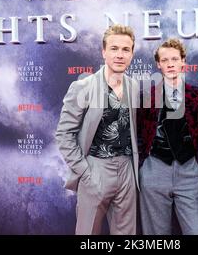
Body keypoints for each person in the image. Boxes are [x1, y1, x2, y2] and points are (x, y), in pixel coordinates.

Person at [55, 24, 140, 235]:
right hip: (95, 168)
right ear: (103, 52)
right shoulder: (83, 86)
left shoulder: (136, 87)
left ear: (132, 54)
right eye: (114, 48)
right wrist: (85, 172)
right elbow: (64, 135)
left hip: (128, 170)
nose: (119, 55)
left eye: (125, 49)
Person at [137, 38, 198, 235]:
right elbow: (139, 134)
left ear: (183, 62)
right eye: (165, 60)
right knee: (156, 235)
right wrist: (144, 166)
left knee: (195, 231)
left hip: (189, 169)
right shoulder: (146, 96)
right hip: (155, 169)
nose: (170, 64)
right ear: (158, 64)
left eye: (175, 59)